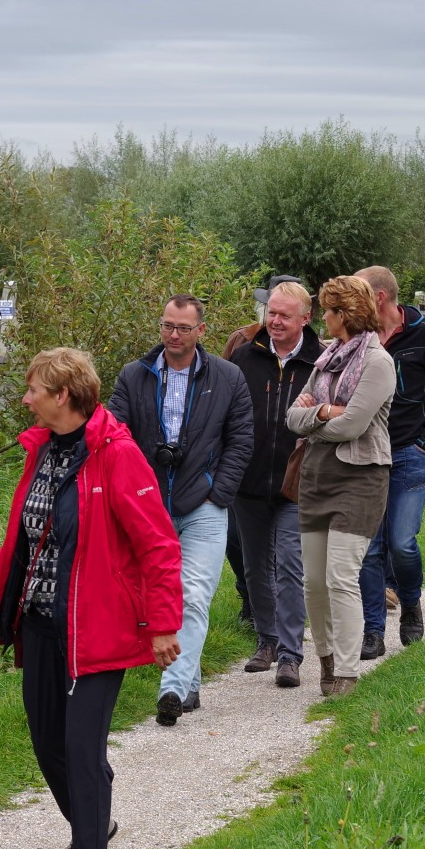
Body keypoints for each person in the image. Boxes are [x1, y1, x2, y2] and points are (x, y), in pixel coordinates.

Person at [0, 349, 183, 849]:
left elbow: (158, 545)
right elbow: (29, 537)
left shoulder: (116, 456)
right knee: (48, 744)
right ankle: (93, 823)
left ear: (63, 395)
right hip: (42, 624)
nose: (26, 399)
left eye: (34, 390)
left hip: (96, 630)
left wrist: (164, 622)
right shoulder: (42, 450)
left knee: (82, 749)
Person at [107, 296, 253, 727]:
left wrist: (218, 490)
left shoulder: (228, 378)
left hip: (203, 505)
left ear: (201, 331)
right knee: (152, 599)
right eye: (167, 326)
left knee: (194, 594)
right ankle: (188, 681)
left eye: (183, 328)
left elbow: (242, 439)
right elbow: (115, 436)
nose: (173, 335)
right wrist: (132, 492)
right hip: (149, 506)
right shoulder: (135, 376)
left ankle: (172, 688)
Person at [285, 277, 395, 699]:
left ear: (343, 314)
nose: (323, 318)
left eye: (328, 311)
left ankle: (347, 672)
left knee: (341, 577)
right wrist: (325, 412)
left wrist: (317, 419)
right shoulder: (327, 357)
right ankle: (326, 661)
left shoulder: (377, 362)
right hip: (316, 476)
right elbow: (293, 417)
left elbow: (355, 425)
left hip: (360, 478)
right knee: (313, 580)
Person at [353, 266, 425, 658]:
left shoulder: (423, 334)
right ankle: (373, 631)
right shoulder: (358, 336)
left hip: (406, 453)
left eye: (359, 290)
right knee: (369, 547)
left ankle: (410, 602)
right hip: (366, 456)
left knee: (401, 543)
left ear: (379, 296)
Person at [227, 278, 321, 690]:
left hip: (295, 479)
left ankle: (289, 653)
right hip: (248, 478)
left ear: (306, 317)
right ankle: (265, 640)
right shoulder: (244, 357)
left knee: (288, 563)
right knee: (254, 567)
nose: (274, 320)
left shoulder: (321, 362)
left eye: (284, 314)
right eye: (271, 312)